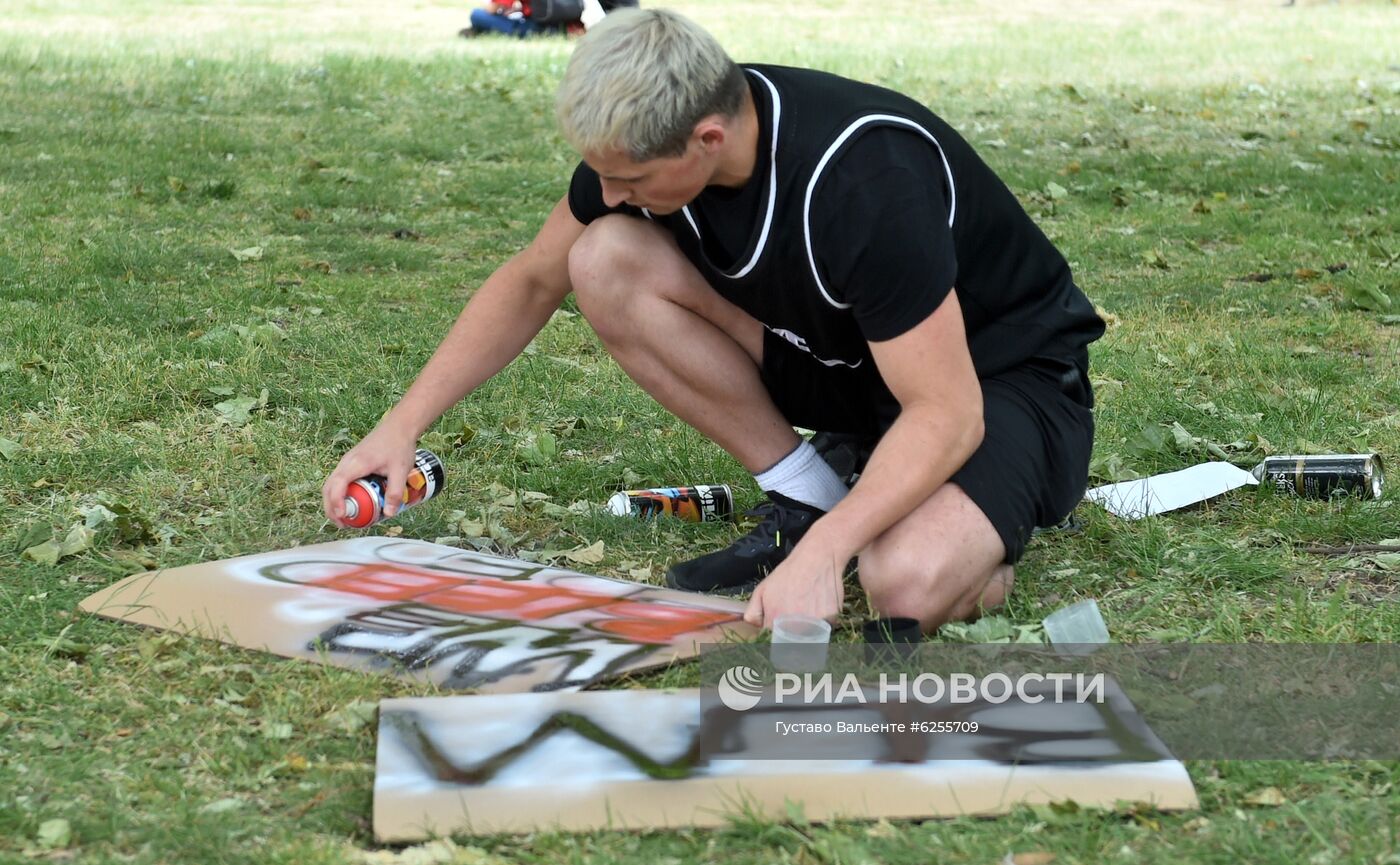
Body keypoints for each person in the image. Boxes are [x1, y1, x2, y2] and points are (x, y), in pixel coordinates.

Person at [323, 8, 1105, 633]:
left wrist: (838, 555)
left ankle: (983, 529)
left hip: (1000, 384)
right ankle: (809, 499)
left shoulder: (866, 182)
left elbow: (947, 410)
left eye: (630, 178)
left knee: (899, 581)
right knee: (600, 257)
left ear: (708, 138)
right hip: (851, 365)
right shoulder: (645, 154)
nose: (614, 193)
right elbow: (532, 280)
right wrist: (402, 424)